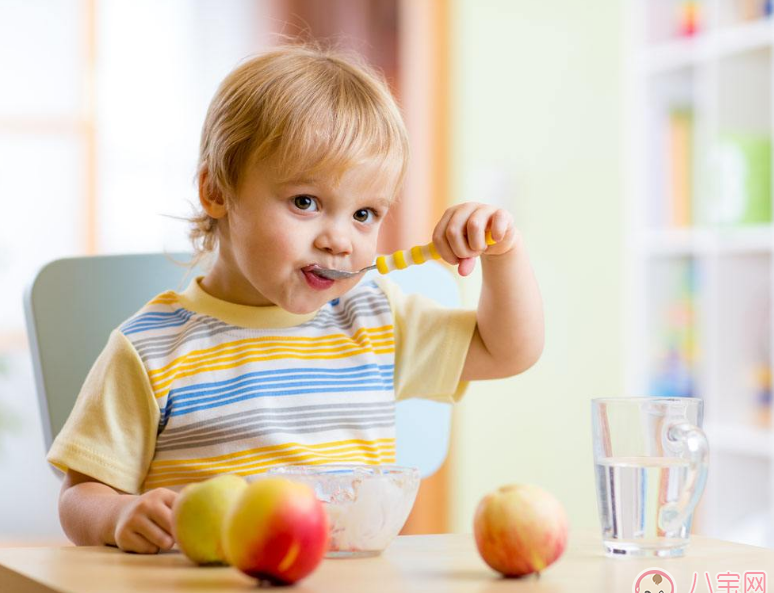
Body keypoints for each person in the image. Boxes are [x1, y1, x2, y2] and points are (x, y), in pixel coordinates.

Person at [48, 44, 544, 554]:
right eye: (306, 202)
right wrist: (117, 516)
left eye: (365, 214)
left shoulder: (374, 318)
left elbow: (508, 350)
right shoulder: (151, 348)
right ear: (216, 191)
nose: (340, 240)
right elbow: (79, 496)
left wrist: (503, 254)